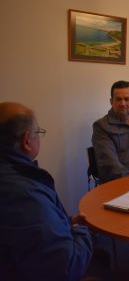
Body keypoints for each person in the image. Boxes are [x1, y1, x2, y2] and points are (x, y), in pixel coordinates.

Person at [0, 102, 93, 281]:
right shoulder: (25, 194)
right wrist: (84, 231)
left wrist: (66, 222)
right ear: (27, 140)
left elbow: (26, 229)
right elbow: (67, 267)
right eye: (38, 132)